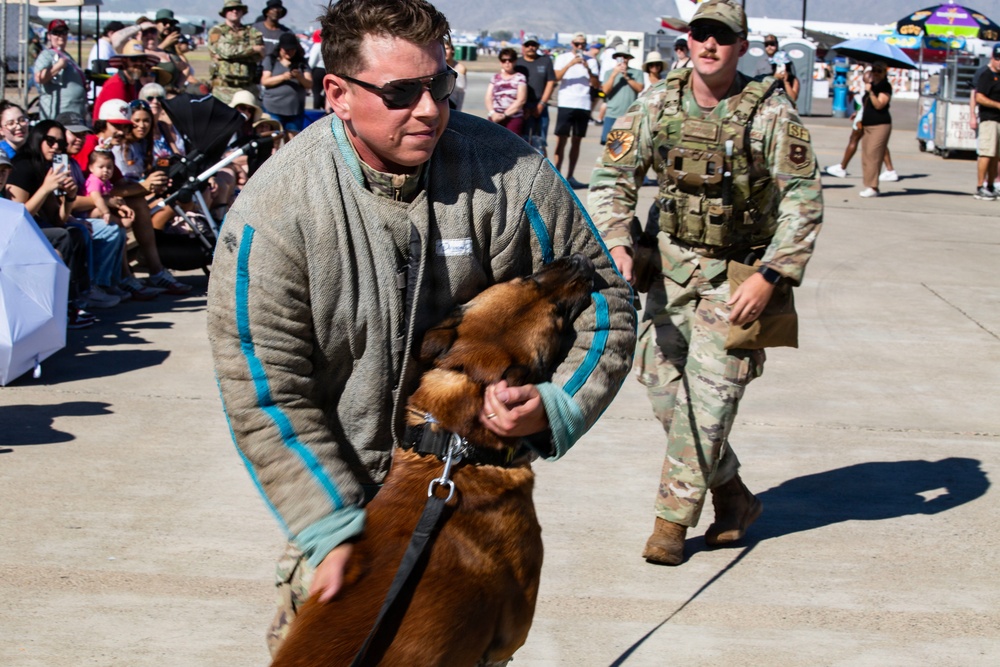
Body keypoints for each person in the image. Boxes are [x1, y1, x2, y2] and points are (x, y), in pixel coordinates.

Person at [206, 0, 635, 656]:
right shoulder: (276, 216)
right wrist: (331, 526)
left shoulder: (510, 176)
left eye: (440, 85)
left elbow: (605, 305)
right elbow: (264, 392)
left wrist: (553, 405)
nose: (430, 108)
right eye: (401, 93)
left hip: (484, 505)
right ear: (337, 94)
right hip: (343, 512)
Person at [588, 0, 822, 566]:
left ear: (743, 46)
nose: (710, 45)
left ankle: (671, 522)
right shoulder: (657, 102)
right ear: (687, 41)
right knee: (666, 392)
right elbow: (612, 176)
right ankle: (734, 496)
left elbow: (803, 201)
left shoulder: (769, 114)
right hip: (668, 273)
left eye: (723, 37)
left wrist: (771, 276)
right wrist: (617, 240)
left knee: (711, 400)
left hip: (739, 278)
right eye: (701, 34)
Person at [824, 67, 897, 182]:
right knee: (877, 144)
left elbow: (877, 103)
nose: (874, 74)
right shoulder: (876, 83)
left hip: (869, 118)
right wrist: (858, 112)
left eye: (877, 72)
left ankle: (842, 167)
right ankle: (889, 170)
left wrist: (869, 82)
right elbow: (866, 102)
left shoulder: (876, 84)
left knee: (856, 139)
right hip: (864, 114)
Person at [553, 32, 600, 188]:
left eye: (583, 45)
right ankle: (556, 174)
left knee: (577, 140)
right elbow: (556, 77)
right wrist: (570, 64)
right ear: (572, 44)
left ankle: (570, 175)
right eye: (577, 44)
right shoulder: (562, 58)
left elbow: (595, 84)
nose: (580, 47)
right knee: (561, 139)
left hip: (583, 103)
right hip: (566, 101)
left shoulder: (591, 61)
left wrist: (587, 68)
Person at [208, 0, 265, 105]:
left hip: (247, 87)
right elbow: (225, 51)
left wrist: (233, 54)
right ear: (225, 12)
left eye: (238, 9)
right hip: (224, 89)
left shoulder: (252, 32)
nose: (234, 11)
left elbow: (259, 55)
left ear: (242, 12)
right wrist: (252, 49)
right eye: (230, 9)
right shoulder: (217, 31)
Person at [34, 20, 88, 120]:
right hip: (59, 112)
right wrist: (58, 66)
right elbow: (39, 78)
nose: (61, 36)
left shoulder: (66, 55)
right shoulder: (47, 54)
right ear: (49, 36)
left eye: (64, 32)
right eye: (56, 33)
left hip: (75, 111)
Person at [261, 32, 311, 139]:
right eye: (286, 50)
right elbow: (265, 81)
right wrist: (283, 77)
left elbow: (309, 84)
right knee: (274, 139)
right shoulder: (271, 60)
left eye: (292, 49)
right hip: (273, 108)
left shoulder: (302, 63)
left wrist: (299, 77)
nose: (289, 52)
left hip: (294, 110)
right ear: (280, 48)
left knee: (292, 141)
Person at [93, 38, 159, 121]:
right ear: (124, 62)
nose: (138, 63)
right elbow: (117, 120)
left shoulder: (133, 84)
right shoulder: (115, 86)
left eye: (142, 59)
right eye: (134, 59)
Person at [515, 34, 555, 155]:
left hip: (540, 107)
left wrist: (542, 104)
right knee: (521, 142)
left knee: (540, 142)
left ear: (537, 46)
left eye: (533, 45)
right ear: (523, 47)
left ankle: (544, 171)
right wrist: (522, 107)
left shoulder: (546, 61)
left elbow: (550, 82)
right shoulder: (518, 63)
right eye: (527, 45)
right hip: (522, 108)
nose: (530, 47)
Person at [858, 60, 892, 198]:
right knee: (866, 155)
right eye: (874, 71)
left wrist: (871, 92)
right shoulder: (872, 84)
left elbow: (879, 105)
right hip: (868, 124)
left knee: (873, 155)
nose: (876, 74)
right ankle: (868, 184)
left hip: (880, 125)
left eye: (879, 71)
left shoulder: (885, 87)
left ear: (884, 73)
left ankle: (873, 186)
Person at [973, 45, 1000, 200]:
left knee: (996, 155)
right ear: (992, 58)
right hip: (989, 119)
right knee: (986, 153)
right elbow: (979, 97)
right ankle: (980, 186)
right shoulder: (986, 75)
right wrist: (997, 105)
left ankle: (991, 185)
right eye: (998, 59)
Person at [600, 50, 643, 145]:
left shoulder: (637, 73)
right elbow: (605, 91)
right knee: (608, 144)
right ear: (616, 58)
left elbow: (640, 88)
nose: (623, 59)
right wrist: (614, 75)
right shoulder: (609, 73)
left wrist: (626, 76)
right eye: (620, 56)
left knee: (626, 145)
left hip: (629, 115)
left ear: (629, 58)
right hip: (612, 114)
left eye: (625, 57)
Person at [485, 48, 528, 135]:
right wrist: (492, 113)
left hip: (513, 118)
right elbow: (488, 97)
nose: (507, 63)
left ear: (515, 61)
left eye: (510, 60)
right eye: (504, 60)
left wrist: (504, 115)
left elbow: (521, 100)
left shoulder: (520, 77)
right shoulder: (495, 77)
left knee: (511, 146)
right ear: (500, 62)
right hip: (494, 117)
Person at [754, 35, 799, 104]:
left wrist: (786, 82)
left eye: (772, 44)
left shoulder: (793, 80)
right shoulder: (761, 63)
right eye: (766, 44)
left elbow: (793, 99)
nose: (769, 47)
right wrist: (774, 78)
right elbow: (757, 89)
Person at [443, 35, 467, 111]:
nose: (445, 51)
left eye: (447, 48)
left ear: (452, 50)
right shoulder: (437, 66)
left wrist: (459, 110)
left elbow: (461, 92)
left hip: (453, 104)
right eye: (442, 49)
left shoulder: (460, 68)